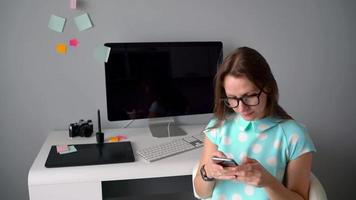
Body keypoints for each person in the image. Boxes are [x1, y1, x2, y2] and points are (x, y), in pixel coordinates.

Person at [193, 47, 316, 200]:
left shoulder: (294, 135)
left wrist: (269, 182)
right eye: (232, 98)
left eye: (250, 96)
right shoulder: (218, 127)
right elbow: (202, 193)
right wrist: (207, 173)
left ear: (268, 88)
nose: (241, 107)